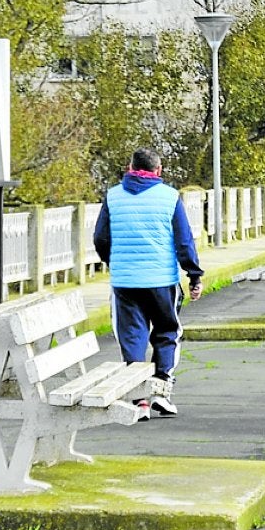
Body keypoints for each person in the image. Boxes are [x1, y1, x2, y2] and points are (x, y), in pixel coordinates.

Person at [92, 147, 203, 419]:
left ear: (130, 168)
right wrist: (194, 275)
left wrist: (113, 261)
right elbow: (184, 241)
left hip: (126, 282)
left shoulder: (113, 196)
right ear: (159, 170)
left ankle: (138, 401)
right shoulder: (169, 197)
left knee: (132, 337)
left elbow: (100, 238)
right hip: (162, 281)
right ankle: (161, 394)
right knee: (166, 332)